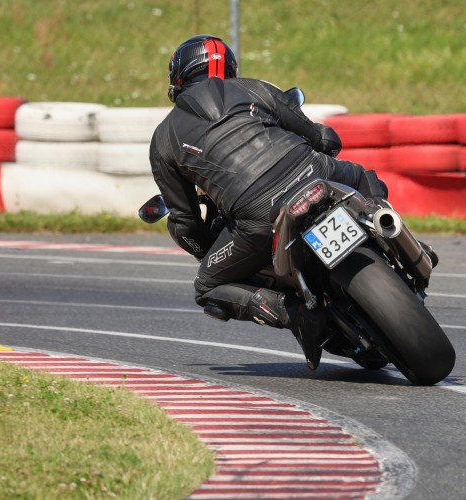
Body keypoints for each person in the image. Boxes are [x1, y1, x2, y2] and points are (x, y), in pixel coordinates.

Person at [148, 34, 386, 370]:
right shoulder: (253, 87)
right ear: (229, 68)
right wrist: (325, 143)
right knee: (362, 177)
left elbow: (184, 220)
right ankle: (384, 225)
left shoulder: (163, 138)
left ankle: (297, 316)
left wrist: (203, 246)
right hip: (312, 171)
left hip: (259, 213)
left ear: (178, 78)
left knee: (208, 286)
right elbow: (319, 135)